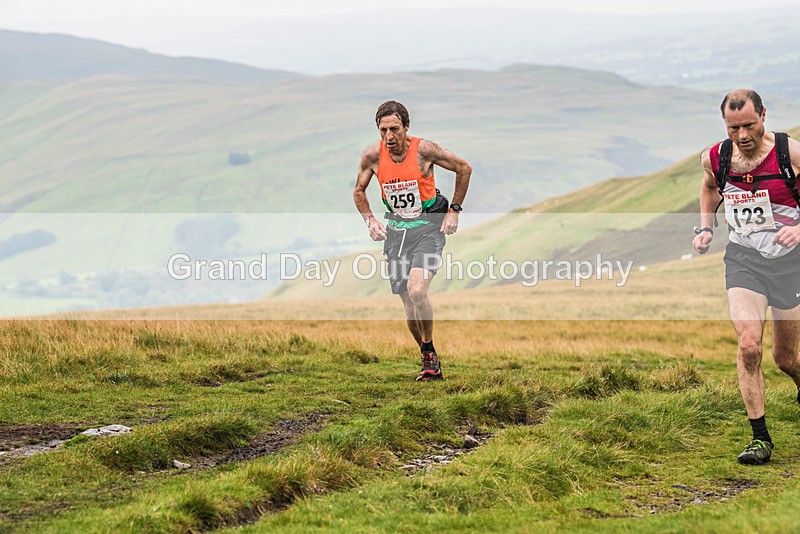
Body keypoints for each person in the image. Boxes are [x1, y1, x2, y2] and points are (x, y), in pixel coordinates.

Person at [693, 89, 800, 465]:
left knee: (786, 359)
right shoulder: (716, 157)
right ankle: (760, 437)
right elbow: (709, 187)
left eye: (749, 125)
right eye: (733, 127)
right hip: (744, 260)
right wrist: (705, 227)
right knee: (749, 345)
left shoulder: (791, 153)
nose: (742, 135)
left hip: (791, 263)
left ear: (764, 116)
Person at [353, 101, 472, 381]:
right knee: (407, 299)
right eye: (383, 130)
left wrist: (454, 211)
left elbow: (464, 168)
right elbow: (359, 190)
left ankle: (429, 355)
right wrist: (370, 220)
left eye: (394, 129)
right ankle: (427, 356)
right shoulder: (372, 156)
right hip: (397, 233)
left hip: (429, 229)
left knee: (417, 290)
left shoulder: (424, 150)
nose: (389, 136)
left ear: (406, 127)